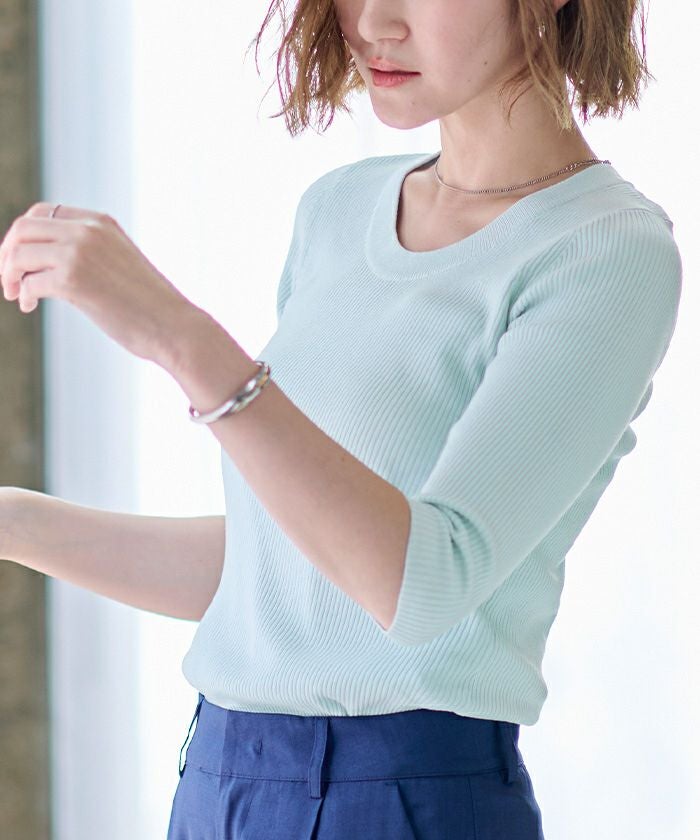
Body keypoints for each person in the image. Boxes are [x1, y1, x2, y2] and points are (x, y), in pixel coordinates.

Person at [0, 0, 682, 838]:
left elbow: (423, 584)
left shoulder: (604, 250)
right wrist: (14, 522)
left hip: (405, 796)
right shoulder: (339, 209)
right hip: (220, 777)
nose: (374, 22)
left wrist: (180, 338)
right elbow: (282, 570)